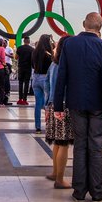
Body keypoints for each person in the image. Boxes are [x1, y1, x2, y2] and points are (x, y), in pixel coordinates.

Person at [53, 12, 102, 202]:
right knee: (96, 147)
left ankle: (78, 190)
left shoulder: (70, 44)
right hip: (99, 104)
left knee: (80, 145)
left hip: (75, 102)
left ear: (83, 24)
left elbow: (61, 75)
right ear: (100, 26)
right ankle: (98, 191)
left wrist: (58, 105)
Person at [45, 35, 72, 189]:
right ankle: (60, 179)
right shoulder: (66, 64)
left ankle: (55, 172)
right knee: (64, 143)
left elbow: (47, 85)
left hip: (53, 105)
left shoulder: (53, 64)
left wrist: (48, 105)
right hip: (63, 106)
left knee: (57, 142)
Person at [31, 34, 53, 133]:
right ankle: (49, 125)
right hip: (45, 79)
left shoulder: (34, 52)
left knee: (38, 104)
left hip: (35, 78)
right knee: (48, 103)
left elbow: (32, 65)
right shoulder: (48, 55)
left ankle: (38, 127)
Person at [16, 36, 34, 105]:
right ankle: (25, 100)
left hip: (21, 67)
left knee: (20, 83)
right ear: (29, 41)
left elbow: (16, 57)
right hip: (28, 68)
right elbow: (33, 59)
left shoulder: (19, 48)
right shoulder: (32, 49)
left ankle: (20, 99)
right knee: (26, 83)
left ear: (24, 41)